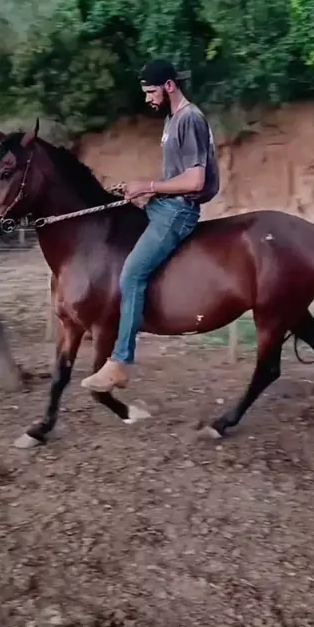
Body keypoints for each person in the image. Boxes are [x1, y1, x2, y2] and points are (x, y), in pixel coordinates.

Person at [81, 58, 220, 393]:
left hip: (178, 213)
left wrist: (149, 186)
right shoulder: (172, 119)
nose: (147, 98)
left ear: (169, 86)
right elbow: (175, 177)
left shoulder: (190, 119)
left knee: (132, 273)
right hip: (165, 205)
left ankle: (120, 362)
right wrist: (143, 192)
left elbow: (195, 180)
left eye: (150, 91)